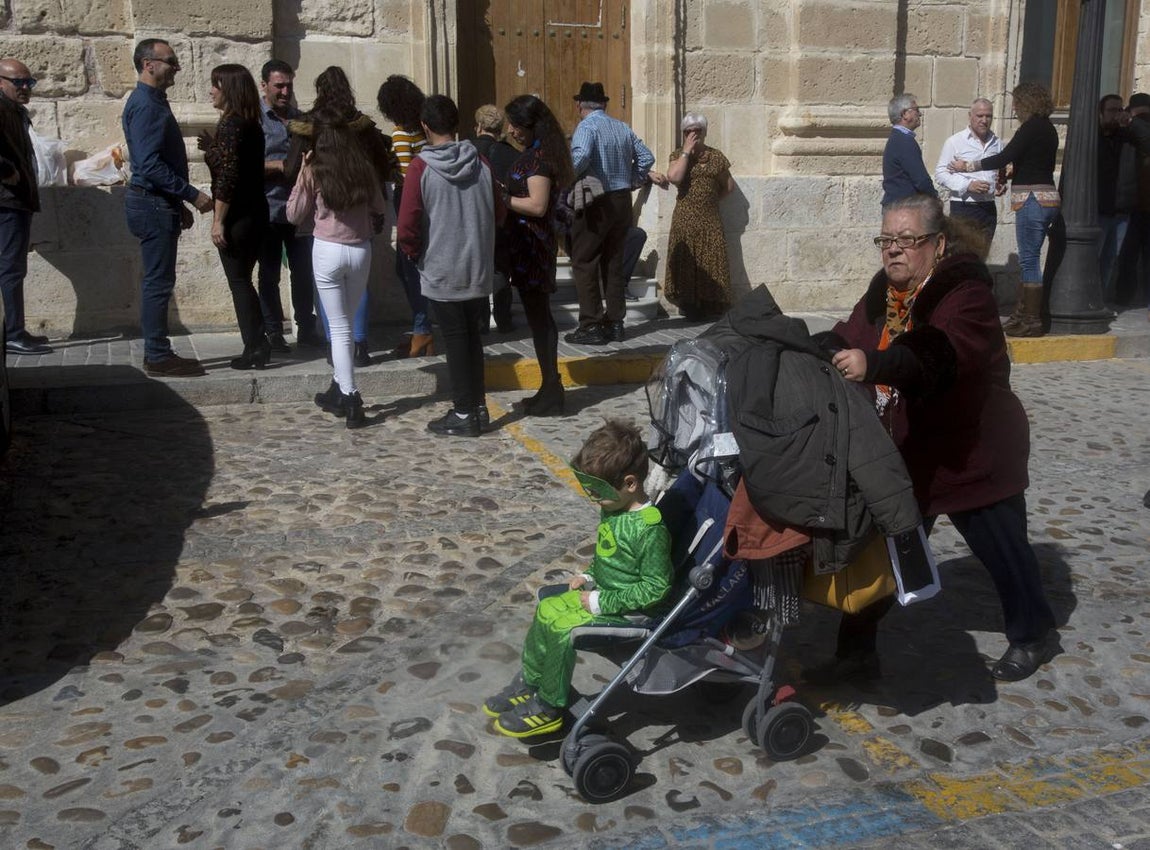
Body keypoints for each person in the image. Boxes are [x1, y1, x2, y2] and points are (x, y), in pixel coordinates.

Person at [815, 193, 1057, 684]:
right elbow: (851, 332)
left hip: (974, 451)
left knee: (1004, 552)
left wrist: (875, 363)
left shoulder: (965, 293)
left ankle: (1034, 634)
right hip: (910, 453)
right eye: (886, 240)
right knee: (882, 554)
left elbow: (936, 352)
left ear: (938, 243)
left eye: (908, 239)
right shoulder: (885, 291)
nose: (894, 250)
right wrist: (812, 347)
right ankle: (856, 654)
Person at [484, 419, 673, 738]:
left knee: (562, 629)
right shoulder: (615, 509)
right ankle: (531, 681)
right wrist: (589, 574)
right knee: (546, 610)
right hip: (605, 595)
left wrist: (601, 601)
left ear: (629, 484)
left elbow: (656, 588)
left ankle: (549, 704)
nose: (594, 501)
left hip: (633, 611)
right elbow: (609, 556)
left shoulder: (650, 530)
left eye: (597, 493)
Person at [397, 95, 505, 438]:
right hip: (476, 266)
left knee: (456, 341)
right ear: (457, 125)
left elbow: (408, 223)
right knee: (473, 339)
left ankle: (463, 411)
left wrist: (415, 254)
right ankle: (478, 407)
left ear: (425, 127)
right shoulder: (482, 164)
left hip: (442, 267)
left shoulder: (421, 167)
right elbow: (500, 212)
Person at [287, 67, 396, 367]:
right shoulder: (361, 125)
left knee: (329, 289)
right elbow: (383, 167)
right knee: (357, 287)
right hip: (362, 218)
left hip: (321, 223)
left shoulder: (308, 126)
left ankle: (336, 350)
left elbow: (289, 170)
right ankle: (359, 344)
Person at [287, 106, 385, 429]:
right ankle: (337, 387)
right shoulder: (362, 167)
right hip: (360, 249)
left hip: (327, 250)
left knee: (339, 328)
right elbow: (378, 206)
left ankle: (351, 396)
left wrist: (303, 173)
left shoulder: (314, 167)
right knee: (346, 323)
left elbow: (293, 213)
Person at [122, 39, 214, 376]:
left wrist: (177, 202)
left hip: (158, 202)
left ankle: (158, 351)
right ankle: (158, 354)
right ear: (149, 64)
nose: (176, 67)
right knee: (158, 282)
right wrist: (192, 194)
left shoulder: (153, 101)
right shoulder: (146, 106)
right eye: (170, 61)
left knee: (158, 280)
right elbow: (149, 166)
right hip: (151, 204)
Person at [950, 82, 1059, 338]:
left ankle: (1031, 320)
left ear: (1026, 103)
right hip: (1047, 197)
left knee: (1029, 259)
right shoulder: (1049, 129)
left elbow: (1004, 156)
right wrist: (1011, 174)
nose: (1014, 107)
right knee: (1029, 257)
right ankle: (1021, 314)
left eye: (1016, 102)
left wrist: (968, 166)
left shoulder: (1030, 127)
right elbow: (1033, 161)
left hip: (1032, 199)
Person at [564, 81, 656, 346]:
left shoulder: (587, 126)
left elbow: (579, 159)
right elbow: (646, 157)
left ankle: (591, 324)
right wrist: (633, 179)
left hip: (597, 199)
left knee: (584, 260)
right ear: (603, 103)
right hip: (621, 199)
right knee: (613, 262)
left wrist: (564, 177)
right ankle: (615, 323)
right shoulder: (622, 127)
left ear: (580, 105)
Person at [501, 94, 574, 416]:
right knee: (537, 318)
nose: (511, 131)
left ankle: (552, 389)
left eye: (516, 125)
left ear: (531, 127)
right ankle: (548, 387)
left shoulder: (539, 159)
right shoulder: (536, 154)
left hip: (533, 247)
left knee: (540, 318)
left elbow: (537, 205)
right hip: (526, 246)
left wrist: (502, 198)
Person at [198, 64, 271, 370]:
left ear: (228, 89)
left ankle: (255, 347)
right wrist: (212, 148)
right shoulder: (250, 123)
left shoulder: (232, 125)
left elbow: (228, 178)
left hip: (238, 215)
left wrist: (218, 220)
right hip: (256, 212)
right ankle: (257, 343)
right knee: (245, 281)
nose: (211, 90)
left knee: (239, 282)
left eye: (216, 85)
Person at [256, 59, 321, 352]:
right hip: (268, 209)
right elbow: (245, 165)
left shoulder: (301, 119)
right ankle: (273, 332)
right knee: (269, 274)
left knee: (303, 272)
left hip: (300, 211)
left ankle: (306, 329)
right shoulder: (254, 119)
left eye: (289, 86)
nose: (285, 91)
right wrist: (281, 166)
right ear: (264, 86)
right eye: (279, 85)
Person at [377, 75, 433, 357]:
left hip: (408, 201)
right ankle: (423, 329)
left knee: (408, 267)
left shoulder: (400, 134)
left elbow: (405, 173)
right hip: (429, 202)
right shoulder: (423, 131)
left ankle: (423, 330)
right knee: (413, 267)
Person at [663, 112, 736, 320]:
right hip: (684, 219)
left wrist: (710, 201)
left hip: (710, 219)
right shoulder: (676, 155)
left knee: (711, 259)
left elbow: (729, 187)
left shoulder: (716, 156)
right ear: (683, 133)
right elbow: (674, 177)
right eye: (688, 131)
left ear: (704, 132)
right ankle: (689, 304)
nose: (693, 135)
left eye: (697, 131)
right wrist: (686, 151)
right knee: (687, 260)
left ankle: (711, 304)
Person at [0, 57, 49, 355]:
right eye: (17, 82)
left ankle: (15, 330)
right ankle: (13, 334)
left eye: (28, 82)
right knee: (10, 268)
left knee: (12, 268)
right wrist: (7, 170)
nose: (25, 88)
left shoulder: (14, 111)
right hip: (7, 200)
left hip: (15, 200)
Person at [471, 104, 520, 334]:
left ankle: (480, 320)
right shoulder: (511, 154)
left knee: (478, 270)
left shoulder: (466, 150)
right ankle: (504, 318)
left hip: (473, 220)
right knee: (501, 270)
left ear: (479, 126)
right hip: (503, 219)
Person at [934, 98, 1003, 248]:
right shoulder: (955, 142)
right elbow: (940, 173)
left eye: (988, 116)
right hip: (964, 207)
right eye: (980, 116)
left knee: (983, 253)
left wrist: (1000, 185)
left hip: (988, 206)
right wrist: (968, 185)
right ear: (970, 116)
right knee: (962, 253)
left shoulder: (997, 143)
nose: (984, 120)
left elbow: (998, 171)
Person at [1114, 93, 1150, 312]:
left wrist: (1134, 121)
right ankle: (1123, 296)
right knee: (1126, 256)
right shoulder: (1125, 134)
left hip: (1138, 206)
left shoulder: (1137, 129)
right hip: (1132, 205)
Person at [1097, 94, 1133, 300]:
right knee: (1094, 256)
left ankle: (1100, 298)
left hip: (1121, 208)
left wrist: (1132, 123)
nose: (1116, 115)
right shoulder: (1093, 137)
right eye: (1111, 110)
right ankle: (1089, 298)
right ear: (1101, 113)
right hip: (1099, 208)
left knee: (1111, 258)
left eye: (1120, 110)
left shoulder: (1128, 137)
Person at [882, 93, 937, 207]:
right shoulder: (904, 141)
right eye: (916, 110)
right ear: (905, 114)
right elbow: (921, 180)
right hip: (903, 208)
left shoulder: (897, 138)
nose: (920, 114)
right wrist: (934, 197)